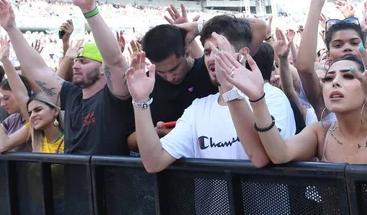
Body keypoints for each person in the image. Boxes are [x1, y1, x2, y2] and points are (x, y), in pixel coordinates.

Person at [0, 0, 135, 155]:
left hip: (110, 182)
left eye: (84, 61)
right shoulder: (71, 96)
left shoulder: (114, 95)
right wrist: (11, 29)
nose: (75, 65)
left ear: (102, 69)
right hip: (77, 182)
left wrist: (89, 10)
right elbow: (37, 70)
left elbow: (114, 60)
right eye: (76, 61)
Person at [126, 15, 295, 173]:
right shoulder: (197, 109)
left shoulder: (271, 97)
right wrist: (140, 102)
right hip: (212, 206)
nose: (211, 58)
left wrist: (229, 88)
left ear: (243, 54)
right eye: (207, 52)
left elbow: (260, 158)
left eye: (219, 49)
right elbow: (154, 162)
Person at [223, 34, 367, 169]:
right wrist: (257, 98)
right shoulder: (319, 133)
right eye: (329, 79)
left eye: (348, 77)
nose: (335, 82)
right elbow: (279, 153)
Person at [141, 23, 217, 136]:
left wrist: (200, 26)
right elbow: (128, 140)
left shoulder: (209, 71)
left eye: (174, 69)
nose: (170, 78)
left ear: (186, 51)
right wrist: (154, 133)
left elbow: (244, 32)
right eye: (161, 72)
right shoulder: (145, 85)